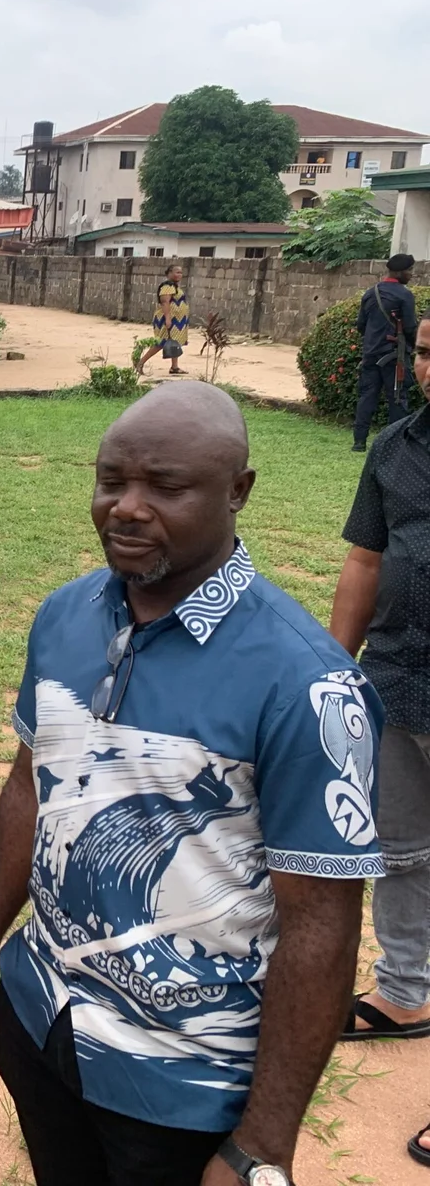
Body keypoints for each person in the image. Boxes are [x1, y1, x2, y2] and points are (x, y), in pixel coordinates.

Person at [0, 380, 384, 1186]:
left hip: (183, 1079)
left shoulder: (305, 683)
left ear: (238, 491)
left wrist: (264, 1145)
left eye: (166, 488)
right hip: (44, 1020)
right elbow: (27, 791)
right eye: (111, 481)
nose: (127, 508)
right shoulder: (66, 617)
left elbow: (321, 924)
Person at [330, 318, 430, 1121]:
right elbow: (365, 560)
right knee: (400, 848)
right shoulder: (396, 447)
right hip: (397, 678)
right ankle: (404, 992)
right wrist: (331, 667)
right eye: (427, 349)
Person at [350, 253, 417, 452]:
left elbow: (361, 325)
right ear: (400, 272)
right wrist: (415, 349)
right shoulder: (404, 295)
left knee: (366, 397)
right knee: (397, 398)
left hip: (370, 354)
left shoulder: (371, 293)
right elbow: (411, 328)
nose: (411, 275)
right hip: (393, 356)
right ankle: (395, 444)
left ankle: (359, 442)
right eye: (409, 270)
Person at [137, 264, 189, 376]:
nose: (179, 274)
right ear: (169, 273)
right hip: (168, 319)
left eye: (180, 272)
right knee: (160, 343)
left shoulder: (174, 286)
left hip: (177, 321)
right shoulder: (167, 286)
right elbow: (165, 302)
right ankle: (140, 363)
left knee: (175, 342)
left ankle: (174, 367)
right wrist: (168, 318)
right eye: (176, 272)